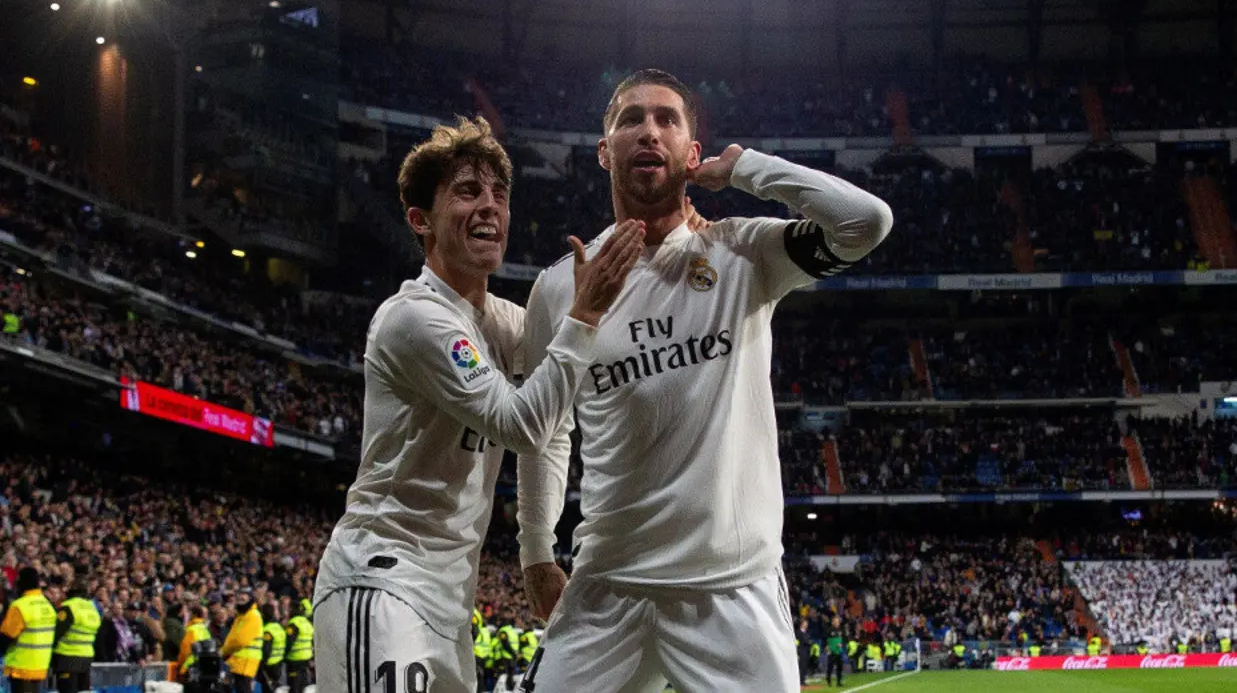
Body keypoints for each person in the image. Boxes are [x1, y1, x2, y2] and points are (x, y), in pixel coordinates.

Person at [516, 69, 892, 692]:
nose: (648, 131)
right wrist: (535, 553)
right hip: (608, 587)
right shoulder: (560, 285)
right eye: (630, 118)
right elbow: (544, 429)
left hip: (731, 592)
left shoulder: (745, 253)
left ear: (693, 154)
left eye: (668, 119)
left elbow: (866, 222)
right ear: (605, 149)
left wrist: (746, 169)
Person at [313, 116, 645, 692]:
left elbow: (557, 413)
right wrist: (584, 312)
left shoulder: (504, 324)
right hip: (382, 583)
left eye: (499, 193)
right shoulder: (414, 317)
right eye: (468, 191)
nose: (490, 206)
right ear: (421, 220)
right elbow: (523, 424)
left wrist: (539, 554)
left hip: (449, 601)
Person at [0, 568, 57, 693]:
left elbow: (7, 635)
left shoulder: (20, 606)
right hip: (41, 666)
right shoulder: (47, 605)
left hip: (21, 667)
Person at [51, 582, 101, 693]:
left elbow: (56, 632)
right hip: (86, 657)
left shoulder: (68, 606)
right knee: (83, 691)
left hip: (68, 657)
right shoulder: (92, 607)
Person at [221, 589, 264, 693]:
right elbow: (232, 638)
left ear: (250, 598)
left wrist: (224, 651)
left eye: (244, 595)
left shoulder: (252, 615)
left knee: (244, 689)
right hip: (239, 660)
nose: (241, 597)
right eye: (239, 594)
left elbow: (241, 641)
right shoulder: (241, 616)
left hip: (246, 660)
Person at [282, 599, 313, 693]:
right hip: (306, 658)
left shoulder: (293, 623)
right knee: (302, 685)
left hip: (294, 659)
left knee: (294, 686)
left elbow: (289, 643)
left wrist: (283, 656)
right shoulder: (307, 623)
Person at [259, 602, 286, 692]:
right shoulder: (279, 627)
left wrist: (262, 663)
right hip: (279, 663)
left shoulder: (267, 630)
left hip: (269, 666)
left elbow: (266, 650)